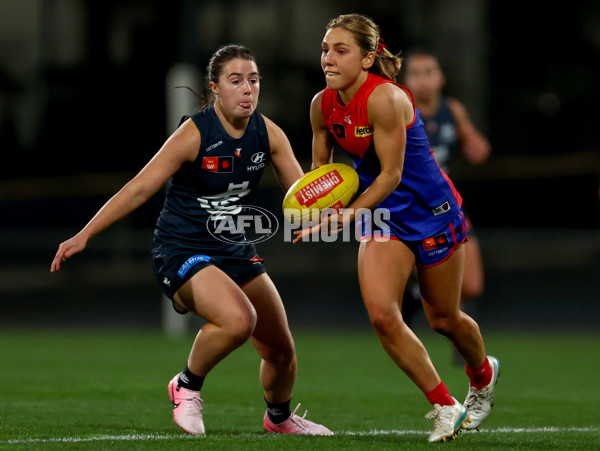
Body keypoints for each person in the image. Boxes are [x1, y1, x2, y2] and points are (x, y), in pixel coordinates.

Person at [50, 44, 332, 437]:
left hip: (233, 248)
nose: (247, 89)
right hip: (181, 248)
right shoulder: (194, 133)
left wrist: (330, 204)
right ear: (215, 87)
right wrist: (85, 234)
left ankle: (280, 418)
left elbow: (301, 196)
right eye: (236, 81)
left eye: (253, 80)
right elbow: (137, 189)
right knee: (239, 319)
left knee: (281, 351)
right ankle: (186, 386)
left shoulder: (269, 134)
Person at [297, 14, 500, 442]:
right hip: (384, 217)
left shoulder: (386, 98)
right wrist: (314, 208)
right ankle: (446, 406)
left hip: (431, 211)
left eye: (340, 50)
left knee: (444, 319)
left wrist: (350, 213)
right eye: (324, 49)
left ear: (368, 58)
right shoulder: (322, 104)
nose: (327, 59)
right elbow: (321, 170)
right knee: (383, 316)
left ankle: (482, 375)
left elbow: (390, 174)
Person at [401, 50, 491, 327]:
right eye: (416, 73)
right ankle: (429, 301)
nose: (423, 79)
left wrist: (476, 146)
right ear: (407, 80)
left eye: (429, 72)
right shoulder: (401, 109)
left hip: (447, 204)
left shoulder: (452, 110)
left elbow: (477, 147)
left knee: (473, 285)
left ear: (440, 78)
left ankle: (425, 294)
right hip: (410, 207)